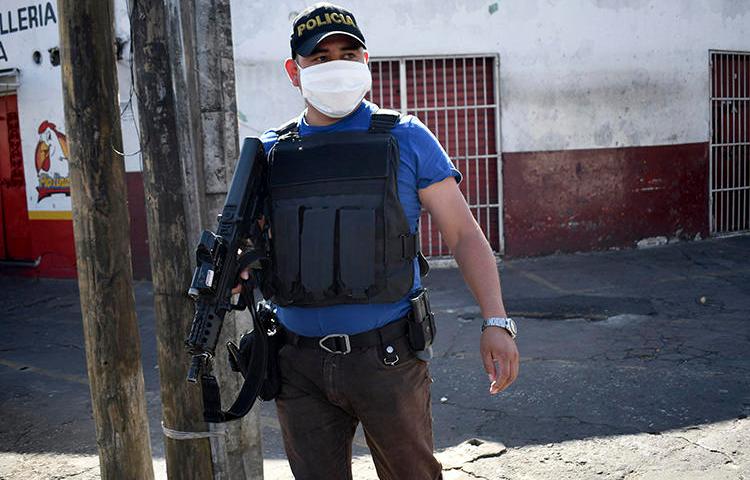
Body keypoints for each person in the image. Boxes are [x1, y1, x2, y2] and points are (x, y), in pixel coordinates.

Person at [238, 3, 519, 478]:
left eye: (348, 54)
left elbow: (463, 233)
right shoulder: (270, 152)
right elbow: (249, 246)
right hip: (296, 364)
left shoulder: (406, 137)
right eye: (320, 58)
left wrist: (497, 320)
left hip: (386, 360)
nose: (336, 66)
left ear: (366, 63)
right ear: (294, 71)